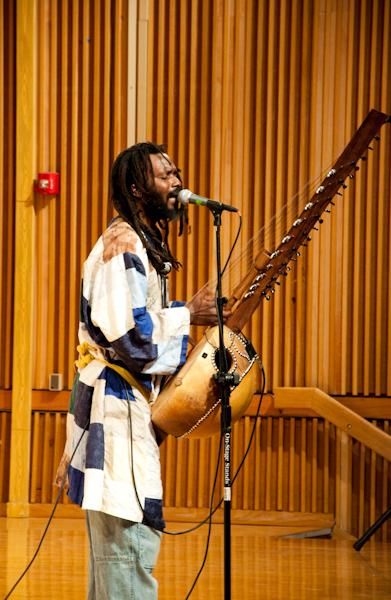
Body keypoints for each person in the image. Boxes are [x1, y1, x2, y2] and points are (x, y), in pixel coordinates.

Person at [55, 142, 222, 599]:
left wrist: (183, 314)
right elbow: (129, 338)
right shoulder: (124, 243)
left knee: (121, 560)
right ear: (135, 187)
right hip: (114, 413)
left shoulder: (138, 243)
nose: (176, 182)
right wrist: (188, 313)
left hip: (122, 408)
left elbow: (135, 324)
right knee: (127, 552)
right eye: (163, 175)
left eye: (177, 173)